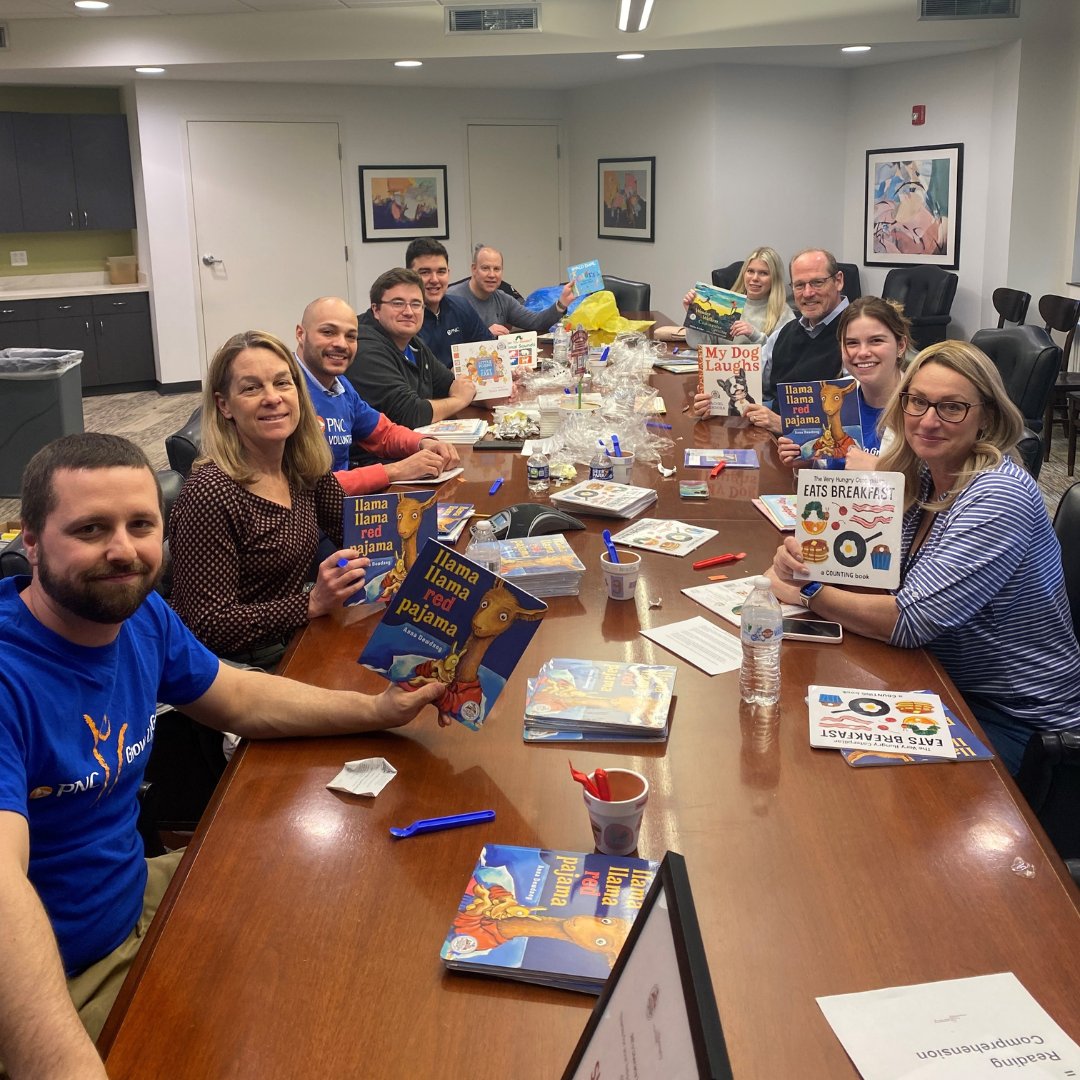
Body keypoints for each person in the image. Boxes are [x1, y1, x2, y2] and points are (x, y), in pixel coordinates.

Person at [0, 433, 444, 1077]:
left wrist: (375, 712)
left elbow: (238, 697)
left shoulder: (140, 617)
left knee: (325, 911)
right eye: (91, 529)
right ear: (32, 543)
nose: (123, 550)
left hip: (127, 894)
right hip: (55, 973)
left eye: (140, 525)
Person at [767, 340, 1080, 774]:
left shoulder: (997, 494)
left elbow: (909, 621)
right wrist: (805, 562)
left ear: (986, 416)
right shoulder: (924, 475)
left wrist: (809, 590)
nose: (928, 421)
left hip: (1015, 717)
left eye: (952, 407)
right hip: (940, 676)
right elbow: (875, 575)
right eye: (917, 402)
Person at [170, 330, 367, 666]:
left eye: (282, 383)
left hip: (294, 634)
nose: (272, 397)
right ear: (224, 405)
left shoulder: (302, 465)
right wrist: (311, 603)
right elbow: (207, 626)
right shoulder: (210, 492)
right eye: (251, 388)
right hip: (238, 665)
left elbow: (357, 529)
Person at [295, 295, 459, 489]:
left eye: (351, 336)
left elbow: (383, 434)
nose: (341, 344)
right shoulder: (287, 393)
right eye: (328, 332)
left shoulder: (341, 385)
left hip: (342, 507)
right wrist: (395, 471)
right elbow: (308, 487)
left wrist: (423, 442)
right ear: (300, 334)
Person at [690, 248, 843, 429]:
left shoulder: (855, 334)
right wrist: (715, 404)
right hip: (773, 434)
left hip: (815, 448)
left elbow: (853, 419)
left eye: (817, 282)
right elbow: (751, 378)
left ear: (838, 281)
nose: (808, 293)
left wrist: (785, 425)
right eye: (799, 285)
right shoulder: (786, 333)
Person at [776, 296, 911, 470]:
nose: (862, 353)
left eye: (876, 340)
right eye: (852, 343)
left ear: (901, 346)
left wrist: (880, 472)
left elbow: (934, 489)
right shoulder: (833, 393)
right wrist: (806, 459)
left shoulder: (921, 408)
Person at [351, 268, 477, 433]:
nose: (409, 312)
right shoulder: (365, 349)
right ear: (376, 310)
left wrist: (490, 391)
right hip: (374, 457)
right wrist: (459, 400)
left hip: (412, 447)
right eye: (398, 303)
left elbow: (450, 384)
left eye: (416, 304)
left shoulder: (414, 343)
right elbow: (409, 414)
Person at [405, 237, 494, 368]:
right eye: (425, 272)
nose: (434, 280)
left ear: (448, 273)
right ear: (408, 275)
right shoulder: (402, 319)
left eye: (441, 272)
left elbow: (490, 351)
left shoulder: (461, 307)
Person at [447, 244, 574, 336]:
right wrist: (485, 334)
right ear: (474, 269)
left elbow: (535, 322)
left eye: (497, 269)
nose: (492, 275)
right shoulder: (452, 298)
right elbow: (445, 341)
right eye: (485, 268)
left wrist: (561, 304)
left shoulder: (503, 299)